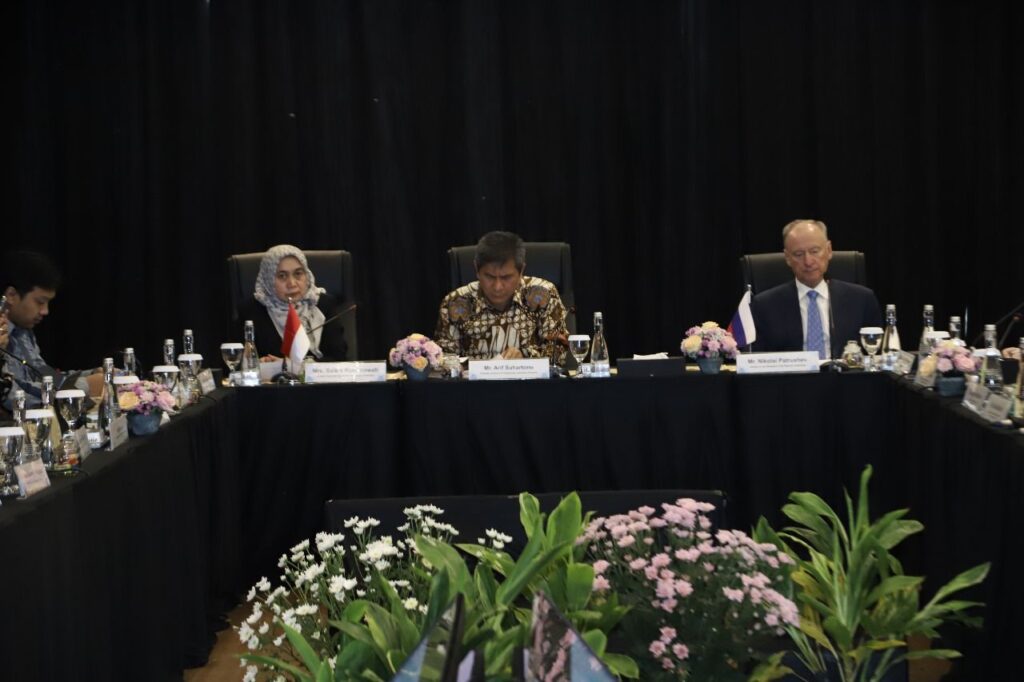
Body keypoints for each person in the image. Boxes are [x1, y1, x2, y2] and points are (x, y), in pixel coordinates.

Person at [750, 219, 882, 359]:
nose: (808, 261)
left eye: (814, 251)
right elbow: (757, 360)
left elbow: (876, 356)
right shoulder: (764, 306)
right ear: (787, 258)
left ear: (829, 250)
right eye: (799, 254)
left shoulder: (862, 300)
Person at [435, 231, 568, 362]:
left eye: (506, 277)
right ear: (476, 270)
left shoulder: (542, 294)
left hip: (530, 376)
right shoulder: (456, 302)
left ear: (521, 270)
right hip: (473, 376)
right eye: (489, 277)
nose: (497, 287)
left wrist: (526, 356)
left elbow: (560, 351)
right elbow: (442, 359)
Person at [1, 250, 99, 410]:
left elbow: (44, 375)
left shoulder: (23, 331)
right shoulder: (3, 335)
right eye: (40, 302)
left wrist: (92, 374)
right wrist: (84, 386)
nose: (45, 311)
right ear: (11, 295)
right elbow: (14, 394)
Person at [236, 245, 348, 363]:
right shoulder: (250, 311)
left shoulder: (322, 304)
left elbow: (339, 358)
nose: (292, 283)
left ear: (307, 275)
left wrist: (297, 367)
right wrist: (257, 364)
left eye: (298, 273)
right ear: (268, 279)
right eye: (282, 276)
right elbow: (236, 362)